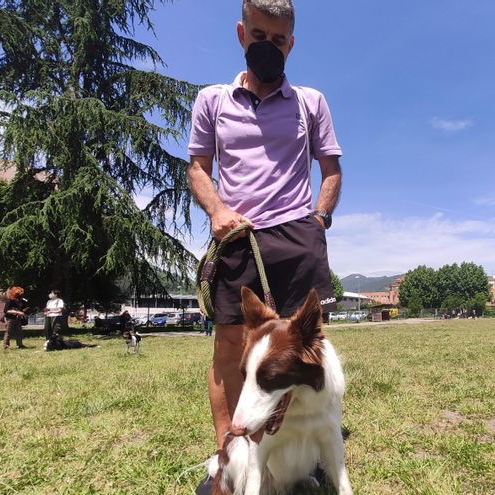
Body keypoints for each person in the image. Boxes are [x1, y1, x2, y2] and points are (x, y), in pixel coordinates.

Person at [187, 1, 342, 490]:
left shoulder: (311, 101)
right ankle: (230, 454)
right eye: (259, 35)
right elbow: (197, 167)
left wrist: (319, 218)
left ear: (291, 44)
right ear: (241, 33)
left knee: (301, 350)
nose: (268, 47)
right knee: (231, 348)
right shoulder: (211, 100)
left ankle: (302, 454)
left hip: (298, 239)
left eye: (278, 40)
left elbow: (331, 168)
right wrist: (216, 211)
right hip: (237, 239)